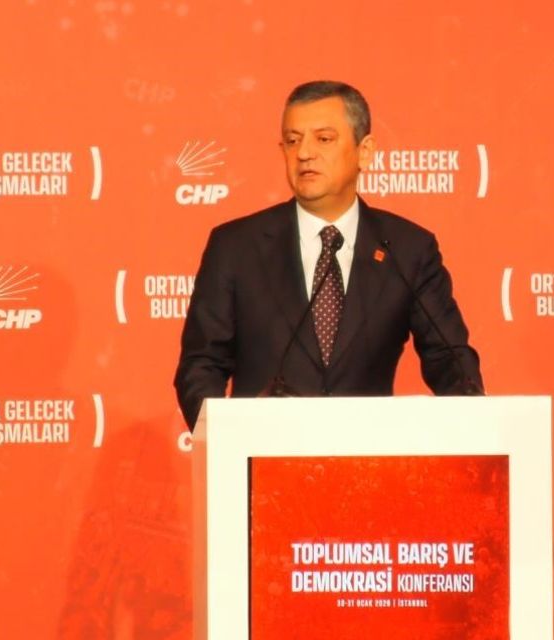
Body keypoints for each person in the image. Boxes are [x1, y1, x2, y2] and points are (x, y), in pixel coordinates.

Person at [174, 80, 483, 429]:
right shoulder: (236, 247)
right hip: (261, 454)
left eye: (323, 139)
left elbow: (450, 359)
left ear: (365, 151)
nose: (304, 153)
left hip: (370, 454)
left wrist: (475, 421)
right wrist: (223, 439)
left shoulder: (407, 249)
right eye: (293, 140)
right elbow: (201, 366)